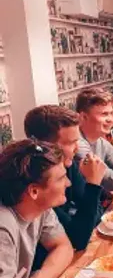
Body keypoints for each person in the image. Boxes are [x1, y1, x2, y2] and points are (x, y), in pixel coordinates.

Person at [0, 139, 113, 278]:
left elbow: (63, 246)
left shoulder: (39, 206)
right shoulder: (3, 227)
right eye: (61, 178)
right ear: (34, 191)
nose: (69, 183)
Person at [24, 105, 106, 255]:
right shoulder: (36, 181)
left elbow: (97, 215)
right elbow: (78, 239)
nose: (77, 149)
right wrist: (93, 184)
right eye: (70, 143)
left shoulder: (68, 164)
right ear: (46, 146)